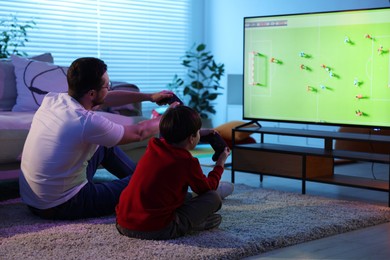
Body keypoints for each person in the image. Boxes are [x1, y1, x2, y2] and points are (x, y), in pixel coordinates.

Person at [19, 57, 175, 220]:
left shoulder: (54, 99)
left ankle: (138, 180)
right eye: (107, 86)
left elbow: (106, 97)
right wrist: (169, 115)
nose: (109, 89)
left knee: (104, 146)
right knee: (150, 178)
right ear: (92, 93)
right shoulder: (85, 121)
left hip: (35, 200)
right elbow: (139, 133)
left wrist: (150, 97)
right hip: (63, 204)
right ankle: (144, 184)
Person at [115, 105, 233, 240]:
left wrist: (199, 132)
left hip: (122, 223)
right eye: (197, 133)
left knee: (185, 196)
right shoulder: (186, 161)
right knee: (213, 198)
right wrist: (220, 164)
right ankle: (192, 224)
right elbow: (207, 188)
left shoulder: (154, 145)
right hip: (156, 230)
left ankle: (188, 219)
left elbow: (172, 136)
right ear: (191, 137)